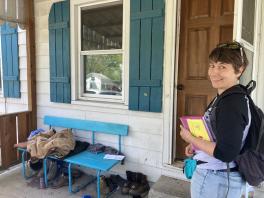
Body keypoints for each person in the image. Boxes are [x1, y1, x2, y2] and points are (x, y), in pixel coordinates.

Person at [180, 41, 250, 198]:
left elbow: (226, 152)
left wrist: (190, 137)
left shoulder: (231, 103)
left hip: (216, 180)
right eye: (212, 66)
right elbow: (220, 137)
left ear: (239, 70)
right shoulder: (227, 96)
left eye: (222, 67)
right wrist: (195, 145)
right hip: (218, 177)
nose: (214, 72)